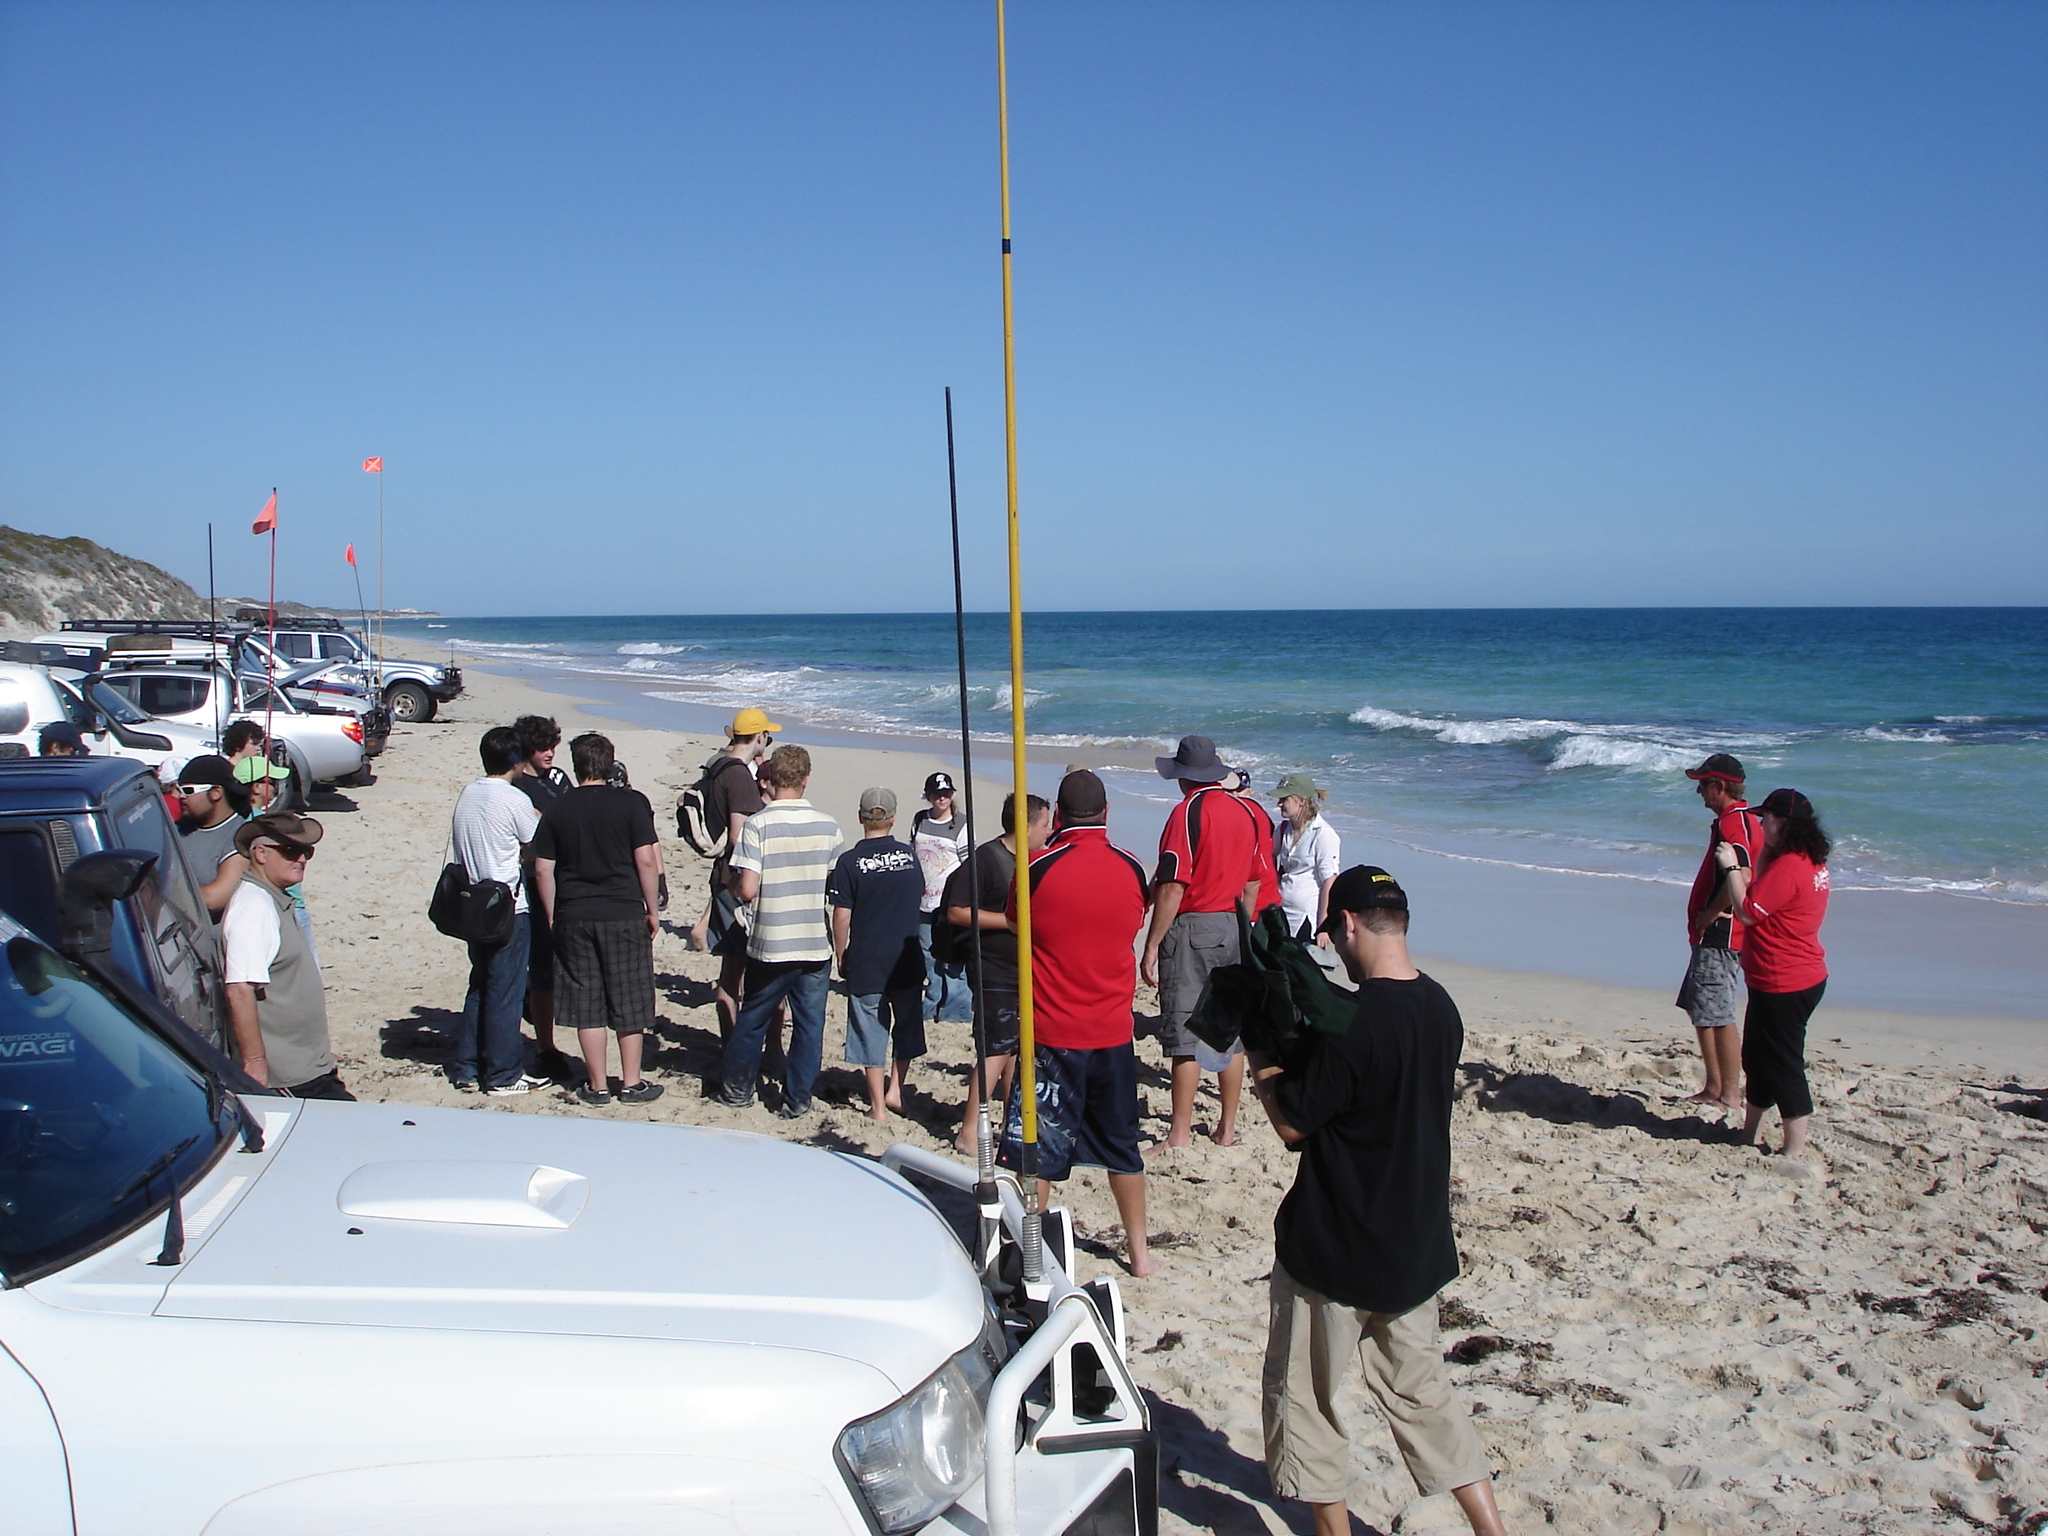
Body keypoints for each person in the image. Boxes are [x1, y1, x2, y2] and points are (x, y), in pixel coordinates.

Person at [1247, 866, 1507, 1536]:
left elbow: (1292, 1124)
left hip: (1335, 1248)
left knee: (1306, 1400)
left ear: (1350, 924)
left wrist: (1263, 1053)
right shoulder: (1441, 1008)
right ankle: (1491, 1528)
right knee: (1423, 1396)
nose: (1334, 948)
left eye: (1334, 935)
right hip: (1413, 1245)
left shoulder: (1354, 1021)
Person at [999, 770, 1157, 1277]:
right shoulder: (1131, 868)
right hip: (1112, 1031)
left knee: (1038, 1150)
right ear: (1106, 812)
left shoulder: (1035, 867)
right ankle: (1140, 1254)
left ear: (1059, 816)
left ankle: (1027, 1247)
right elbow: (1132, 921)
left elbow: (1016, 923)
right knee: (1123, 1148)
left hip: (1052, 1032)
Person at [1142, 735, 1266, 1148]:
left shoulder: (1187, 812)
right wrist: (1243, 926)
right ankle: (1226, 1127)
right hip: (1233, 922)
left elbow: (1173, 884)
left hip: (1194, 924)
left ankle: (1179, 1132)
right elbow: (1254, 880)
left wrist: (1153, 942)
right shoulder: (1245, 811)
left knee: (1185, 1035)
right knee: (1228, 1031)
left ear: (1183, 777)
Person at [533, 732, 665, 1108]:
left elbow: (543, 868)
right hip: (622, 910)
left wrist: (552, 913)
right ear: (610, 763)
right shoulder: (630, 803)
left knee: (586, 1002)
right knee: (629, 999)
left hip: (574, 912)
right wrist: (652, 908)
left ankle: (597, 1084)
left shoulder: (559, 806)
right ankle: (631, 1082)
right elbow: (646, 860)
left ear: (576, 766)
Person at [718, 745, 843, 1116]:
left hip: (772, 938)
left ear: (771, 780)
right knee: (809, 1025)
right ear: (805, 779)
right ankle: (798, 1097)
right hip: (813, 940)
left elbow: (748, 889)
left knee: (753, 1018)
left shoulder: (758, 825)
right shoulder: (828, 825)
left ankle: (738, 1089)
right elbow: (834, 882)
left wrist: (735, 886)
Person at [1716, 787, 1831, 1159]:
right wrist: (1766, 847)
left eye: (1766, 819)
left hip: (1787, 981)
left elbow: (1748, 911)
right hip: (1777, 977)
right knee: (1757, 1059)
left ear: (1783, 823)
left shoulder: (1792, 866)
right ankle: (1751, 1133)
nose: (1761, 825)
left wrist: (1732, 867)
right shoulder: (1801, 859)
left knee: (1784, 1064)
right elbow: (1763, 881)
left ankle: (1794, 1149)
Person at [943, 791, 1051, 1153]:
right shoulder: (986, 859)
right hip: (993, 970)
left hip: (1026, 970)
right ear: (1026, 825)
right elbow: (957, 911)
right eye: (1044, 824)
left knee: (1017, 1050)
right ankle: (969, 1131)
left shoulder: (1036, 860)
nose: (1048, 831)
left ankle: (1010, 1121)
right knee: (995, 1049)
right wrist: (1008, 923)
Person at [221, 812, 352, 1099]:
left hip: (308, 1067)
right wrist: (255, 1062)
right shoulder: (253, 906)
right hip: (286, 1075)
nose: (301, 859)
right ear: (261, 854)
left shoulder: (272, 897)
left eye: (307, 851)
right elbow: (240, 990)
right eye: (291, 850)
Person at [449, 726, 548, 1096]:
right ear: (516, 761)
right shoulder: (514, 799)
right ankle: (503, 1073)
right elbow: (537, 844)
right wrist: (537, 817)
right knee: (506, 990)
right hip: (508, 905)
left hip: (473, 901)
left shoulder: (469, 793)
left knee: (481, 984)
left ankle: (467, 1067)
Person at [828, 787, 928, 1122]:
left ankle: (878, 1105)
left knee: (870, 1027)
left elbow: (842, 915)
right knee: (906, 1024)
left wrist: (840, 952)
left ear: (861, 818)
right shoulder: (909, 856)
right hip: (905, 956)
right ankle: (895, 1088)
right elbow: (918, 896)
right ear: (893, 818)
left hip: (868, 956)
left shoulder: (849, 861)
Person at [1676, 753, 1764, 1114]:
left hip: (1721, 933)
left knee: (1718, 1013)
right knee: (1700, 1008)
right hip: (1714, 933)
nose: (1699, 792)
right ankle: (1715, 1086)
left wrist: (1711, 913)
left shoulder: (1735, 823)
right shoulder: (1737, 821)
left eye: (1704, 785)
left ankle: (1727, 1092)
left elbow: (1742, 875)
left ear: (1721, 787)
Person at [689, 708, 777, 1043]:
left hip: (723, 876)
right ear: (759, 737)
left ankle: (731, 1043)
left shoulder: (717, 764)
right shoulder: (739, 776)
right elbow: (740, 837)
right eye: (767, 735)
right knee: (745, 968)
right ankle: (738, 1044)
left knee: (732, 967)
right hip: (737, 880)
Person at [511, 714, 578, 1082]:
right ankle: (545, 1047)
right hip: (534, 880)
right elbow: (528, 843)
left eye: (553, 745)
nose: (550, 752)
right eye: (542, 747)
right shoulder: (518, 787)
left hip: (566, 877)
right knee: (541, 966)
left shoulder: (558, 779)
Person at [911, 771, 973, 1025]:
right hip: (923, 902)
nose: (942, 798)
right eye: (937, 794)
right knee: (929, 955)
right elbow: (913, 853)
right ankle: (932, 1002)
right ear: (928, 796)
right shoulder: (919, 820)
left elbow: (968, 865)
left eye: (946, 793)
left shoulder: (962, 824)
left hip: (950, 904)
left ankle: (957, 1009)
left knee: (953, 958)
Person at [174, 754, 253, 914]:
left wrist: (161, 889)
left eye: (188, 791)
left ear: (216, 792)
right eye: (178, 789)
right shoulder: (177, 829)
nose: (181, 796)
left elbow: (214, 899)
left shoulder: (240, 837)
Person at [1273, 773, 1341, 945]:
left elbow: (1329, 881)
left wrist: (1323, 926)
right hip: (1281, 913)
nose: (1279, 804)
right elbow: (1268, 857)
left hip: (1305, 919)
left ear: (1302, 801)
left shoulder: (1323, 834)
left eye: (1284, 799)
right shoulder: (1283, 829)